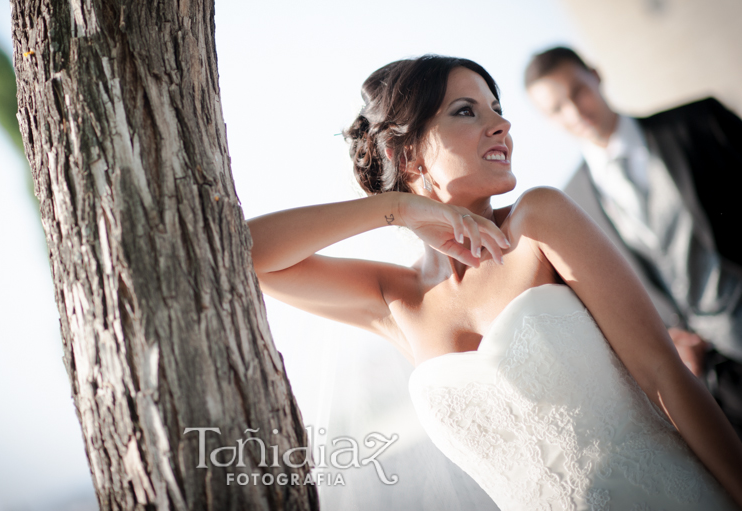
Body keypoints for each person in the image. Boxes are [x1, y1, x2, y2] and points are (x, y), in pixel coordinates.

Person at [246, 55, 742, 510]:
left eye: (497, 108)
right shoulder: (393, 299)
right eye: (467, 111)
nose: (501, 124)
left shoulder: (537, 221)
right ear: (411, 153)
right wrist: (395, 210)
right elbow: (245, 254)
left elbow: (663, 375)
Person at [524, 46, 742, 438]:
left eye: (578, 91)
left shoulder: (698, 120)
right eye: (557, 108)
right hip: (710, 380)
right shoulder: (570, 204)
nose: (575, 112)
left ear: (596, 74)